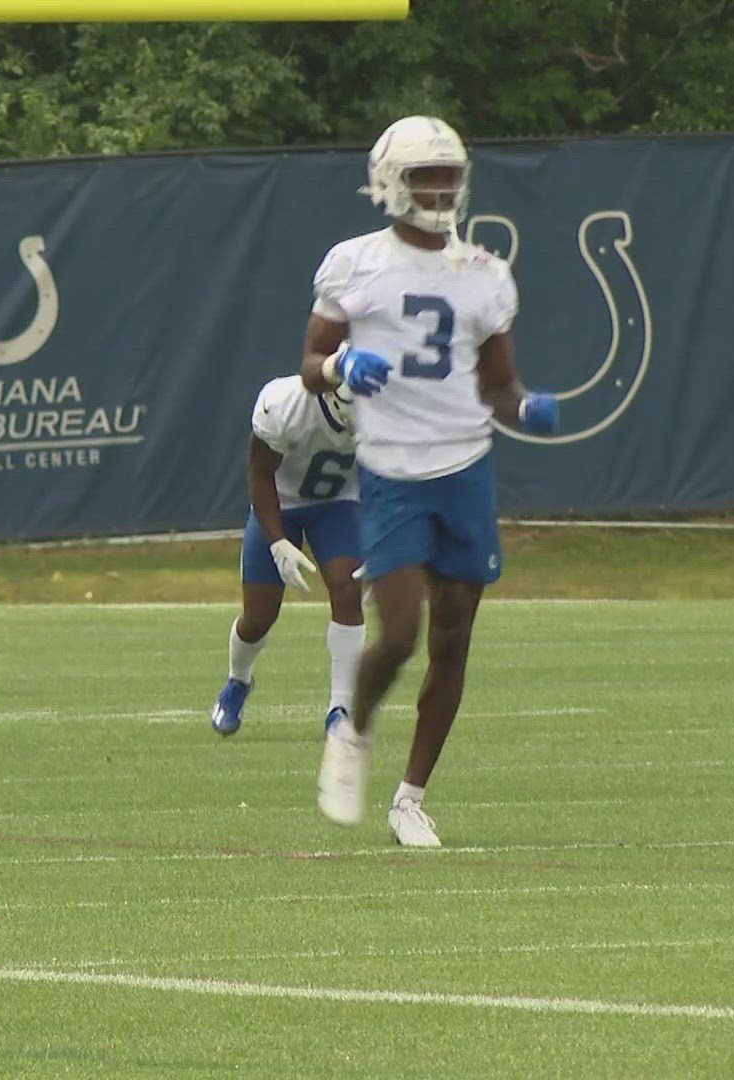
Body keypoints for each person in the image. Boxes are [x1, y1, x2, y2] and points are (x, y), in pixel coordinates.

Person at [301, 115, 559, 847]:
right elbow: (309, 366)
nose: (440, 189)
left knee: (454, 639)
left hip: (465, 468)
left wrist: (527, 407)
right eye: (426, 176)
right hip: (391, 472)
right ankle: (352, 731)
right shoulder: (354, 263)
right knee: (401, 632)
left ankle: (410, 798)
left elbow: (499, 386)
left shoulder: (484, 273)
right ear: (391, 182)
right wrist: (343, 366)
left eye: (448, 175)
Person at [211, 374, 364, 737]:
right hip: (281, 505)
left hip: (338, 504)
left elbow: (387, 477)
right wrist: (278, 542)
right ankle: (238, 680)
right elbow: (260, 473)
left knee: (347, 590)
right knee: (259, 616)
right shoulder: (284, 404)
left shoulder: (388, 406)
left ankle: (340, 709)